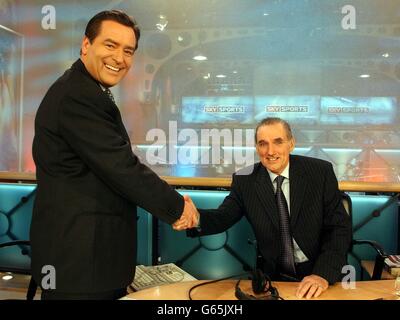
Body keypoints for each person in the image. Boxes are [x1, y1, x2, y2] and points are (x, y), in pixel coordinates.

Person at [31, 10, 197, 300]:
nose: (119, 58)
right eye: (110, 45)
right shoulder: (77, 95)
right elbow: (121, 167)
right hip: (80, 266)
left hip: (87, 262)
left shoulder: (86, 90)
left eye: (128, 50)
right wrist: (177, 207)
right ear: (86, 45)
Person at [174, 117, 351, 299]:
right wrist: (196, 218)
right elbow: (224, 216)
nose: (270, 151)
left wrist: (322, 275)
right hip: (274, 278)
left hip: (319, 271)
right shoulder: (245, 180)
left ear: (291, 144)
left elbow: (339, 229)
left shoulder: (319, 172)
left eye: (278, 142)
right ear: (257, 148)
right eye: (263, 144)